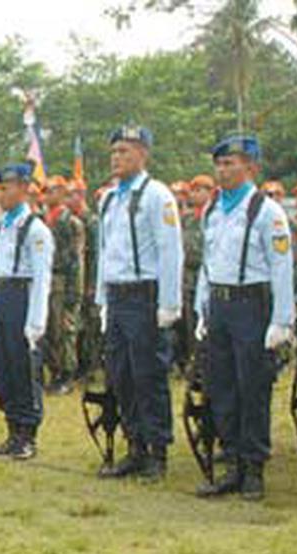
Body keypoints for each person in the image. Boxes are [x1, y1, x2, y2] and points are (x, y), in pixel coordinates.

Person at [192, 135, 295, 501]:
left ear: (251, 168)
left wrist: (282, 320)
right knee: (222, 386)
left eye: (230, 163)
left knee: (252, 387)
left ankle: (253, 467)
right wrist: (201, 307)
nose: (223, 170)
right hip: (220, 304)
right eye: (219, 164)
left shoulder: (267, 212)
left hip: (252, 304)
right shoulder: (215, 209)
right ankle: (231, 461)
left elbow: (282, 268)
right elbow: (208, 263)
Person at [94, 125, 184, 482]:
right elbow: (105, 252)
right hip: (117, 295)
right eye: (114, 152)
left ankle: (157, 450)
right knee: (121, 375)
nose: (117, 158)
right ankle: (135, 445)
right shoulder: (109, 198)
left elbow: (169, 250)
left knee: (148, 376)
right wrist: (102, 299)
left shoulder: (156, 195)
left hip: (144, 296)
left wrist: (169, 303)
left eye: (125, 152)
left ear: (143, 154)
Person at [0, 163, 54, 459]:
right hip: (1, 294)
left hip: (22, 297)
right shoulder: (2, 224)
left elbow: (41, 277)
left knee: (23, 367)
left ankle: (27, 434)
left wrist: (36, 320)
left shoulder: (35, 228)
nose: (1, 194)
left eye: (7, 187)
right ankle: (12, 429)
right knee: (3, 365)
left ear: (25, 188)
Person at [40, 175, 86, 393]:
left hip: (63, 280)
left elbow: (76, 261)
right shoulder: (42, 220)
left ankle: (67, 373)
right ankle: (55, 371)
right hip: (46, 280)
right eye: (45, 191)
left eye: (52, 191)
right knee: (49, 330)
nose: (48, 195)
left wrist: (74, 293)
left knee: (65, 330)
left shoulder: (70, 223)